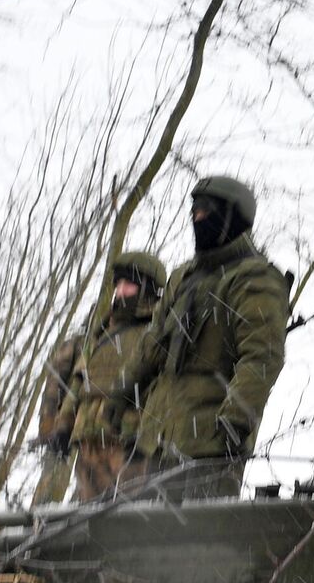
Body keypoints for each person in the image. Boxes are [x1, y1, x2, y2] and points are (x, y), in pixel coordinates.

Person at [111, 176, 290, 501]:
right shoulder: (183, 277)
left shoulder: (255, 278)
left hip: (209, 447)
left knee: (195, 545)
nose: (198, 219)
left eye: (207, 212)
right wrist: (121, 393)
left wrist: (236, 420)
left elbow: (261, 357)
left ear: (233, 217)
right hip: (155, 441)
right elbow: (152, 347)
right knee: (133, 543)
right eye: (194, 212)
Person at [60, 252, 165, 502]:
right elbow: (79, 379)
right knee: (85, 515)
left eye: (128, 284)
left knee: (126, 515)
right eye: (118, 284)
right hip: (88, 438)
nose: (120, 291)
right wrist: (63, 426)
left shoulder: (156, 330)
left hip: (126, 439)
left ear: (146, 289)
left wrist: (146, 437)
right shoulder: (102, 330)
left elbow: (161, 388)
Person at [29, 334, 80, 506]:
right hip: (66, 428)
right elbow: (53, 386)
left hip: (88, 430)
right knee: (50, 490)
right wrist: (48, 429)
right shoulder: (78, 343)